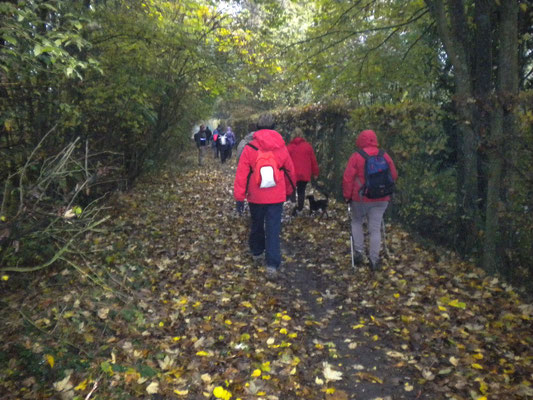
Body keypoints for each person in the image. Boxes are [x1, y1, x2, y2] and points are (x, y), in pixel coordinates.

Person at [234, 113, 296, 277]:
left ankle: (257, 251)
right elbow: (290, 171)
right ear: (274, 127)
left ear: (257, 127)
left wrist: (240, 198)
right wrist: (289, 191)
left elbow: (241, 174)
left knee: (257, 223)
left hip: (256, 195)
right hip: (276, 195)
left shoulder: (250, 148)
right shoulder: (281, 147)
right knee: (273, 228)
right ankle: (272, 264)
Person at [342, 129, 398, 271]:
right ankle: (374, 260)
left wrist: (347, 196)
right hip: (381, 198)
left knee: (357, 221)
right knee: (375, 229)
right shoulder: (384, 155)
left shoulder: (356, 156)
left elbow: (348, 178)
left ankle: (359, 252)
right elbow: (393, 175)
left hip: (360, 197)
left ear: (360, 140)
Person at [287, 127, 319, 214]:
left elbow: (285, 161)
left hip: (292, 174)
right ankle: (300, 208)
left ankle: (293, 206)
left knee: (292, 189)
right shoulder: (308, 146)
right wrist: (315, 173)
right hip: (304, 174)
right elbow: (313, 161)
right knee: (301, 191)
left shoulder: (289, 148)